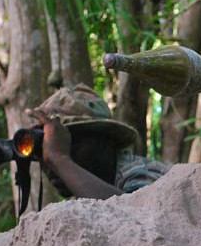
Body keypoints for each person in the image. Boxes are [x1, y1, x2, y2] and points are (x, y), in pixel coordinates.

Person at [26, 84, 169, 199]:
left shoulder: (143, 174)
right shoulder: (89, 195)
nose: (49, 163)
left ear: (104, 140)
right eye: (44, 150)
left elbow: (137, 224)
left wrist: (60, 158)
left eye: (67, 146)